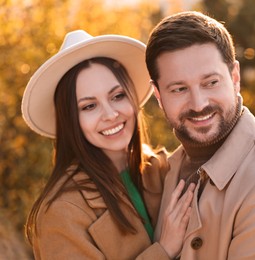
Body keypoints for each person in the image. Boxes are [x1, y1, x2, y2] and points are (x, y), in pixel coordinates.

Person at [145, 11, 255, 259]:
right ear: (158, 96)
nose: (198, 104)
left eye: (210, 83)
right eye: (179, 89)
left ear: (235, 77)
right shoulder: (169, 170)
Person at [22, 30, 195, 259]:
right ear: (71, 121)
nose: (111, 114)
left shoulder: (162, 169)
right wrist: (163, 250)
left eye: (117, 96)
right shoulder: (62, 212)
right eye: (89, 106)